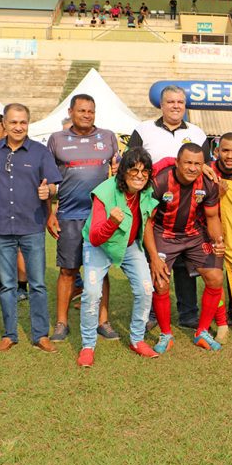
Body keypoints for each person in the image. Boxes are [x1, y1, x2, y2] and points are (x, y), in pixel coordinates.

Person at [0, 103, 62, 353]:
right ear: (4, 124)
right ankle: (9, 334)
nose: (18, 127)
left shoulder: (40, 151)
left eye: (23, 122)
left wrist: (47, 190)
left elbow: (54, 186)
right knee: (7, 284)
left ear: (28, 123)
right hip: (1, 227)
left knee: (37, 283)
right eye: (14, 122)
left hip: (32, 226)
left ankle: (40, 335)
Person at [128, 85, 208, 329]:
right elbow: (131, 165)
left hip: (188, 208)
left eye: (180, 102)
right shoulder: (143, 130)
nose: (176, 106)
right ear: (161, 105)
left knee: (185, 263)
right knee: (153, 259)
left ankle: (188, 314)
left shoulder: (197, 133)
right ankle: (152, 313)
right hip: (152, 206)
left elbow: (205, 169)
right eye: (171, 102)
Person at [46, 94, 121, 343]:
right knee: (68, 270)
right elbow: (48, 181)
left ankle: (103, 321)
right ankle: (61, 323)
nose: (87, 115)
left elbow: (118, 172)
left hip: (100, 217)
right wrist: (50, 212)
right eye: (82, 111)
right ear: (71, 112)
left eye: (91, 111)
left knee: (102, 271)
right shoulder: (57, 139)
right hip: (69, 214)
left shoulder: (108, 137)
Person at [77, 148, 160, 366]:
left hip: (129, 245)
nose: (140, 176)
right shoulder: (105, 191)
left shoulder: (147, 190)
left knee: (145, 289)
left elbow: (148, 222)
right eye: (134, 170)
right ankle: (87, 345)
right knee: (92, 293)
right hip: (100, 246)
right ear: (123, 172)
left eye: (145, 171)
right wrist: (111, 223)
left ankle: (137, 339)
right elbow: (94, 238)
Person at [146, 143, 227, 352]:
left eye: (197, 164)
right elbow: (148, 222)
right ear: (177, 163)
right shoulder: (160, 182)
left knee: (216, 277)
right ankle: (166, 334)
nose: (192, 168)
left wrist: (218, 240)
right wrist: (154, 257)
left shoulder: (208, 183)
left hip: (193, 235)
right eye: (188, 163)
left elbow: (212, 217)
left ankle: (202, 332)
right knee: (161, 282)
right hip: (164, 234)